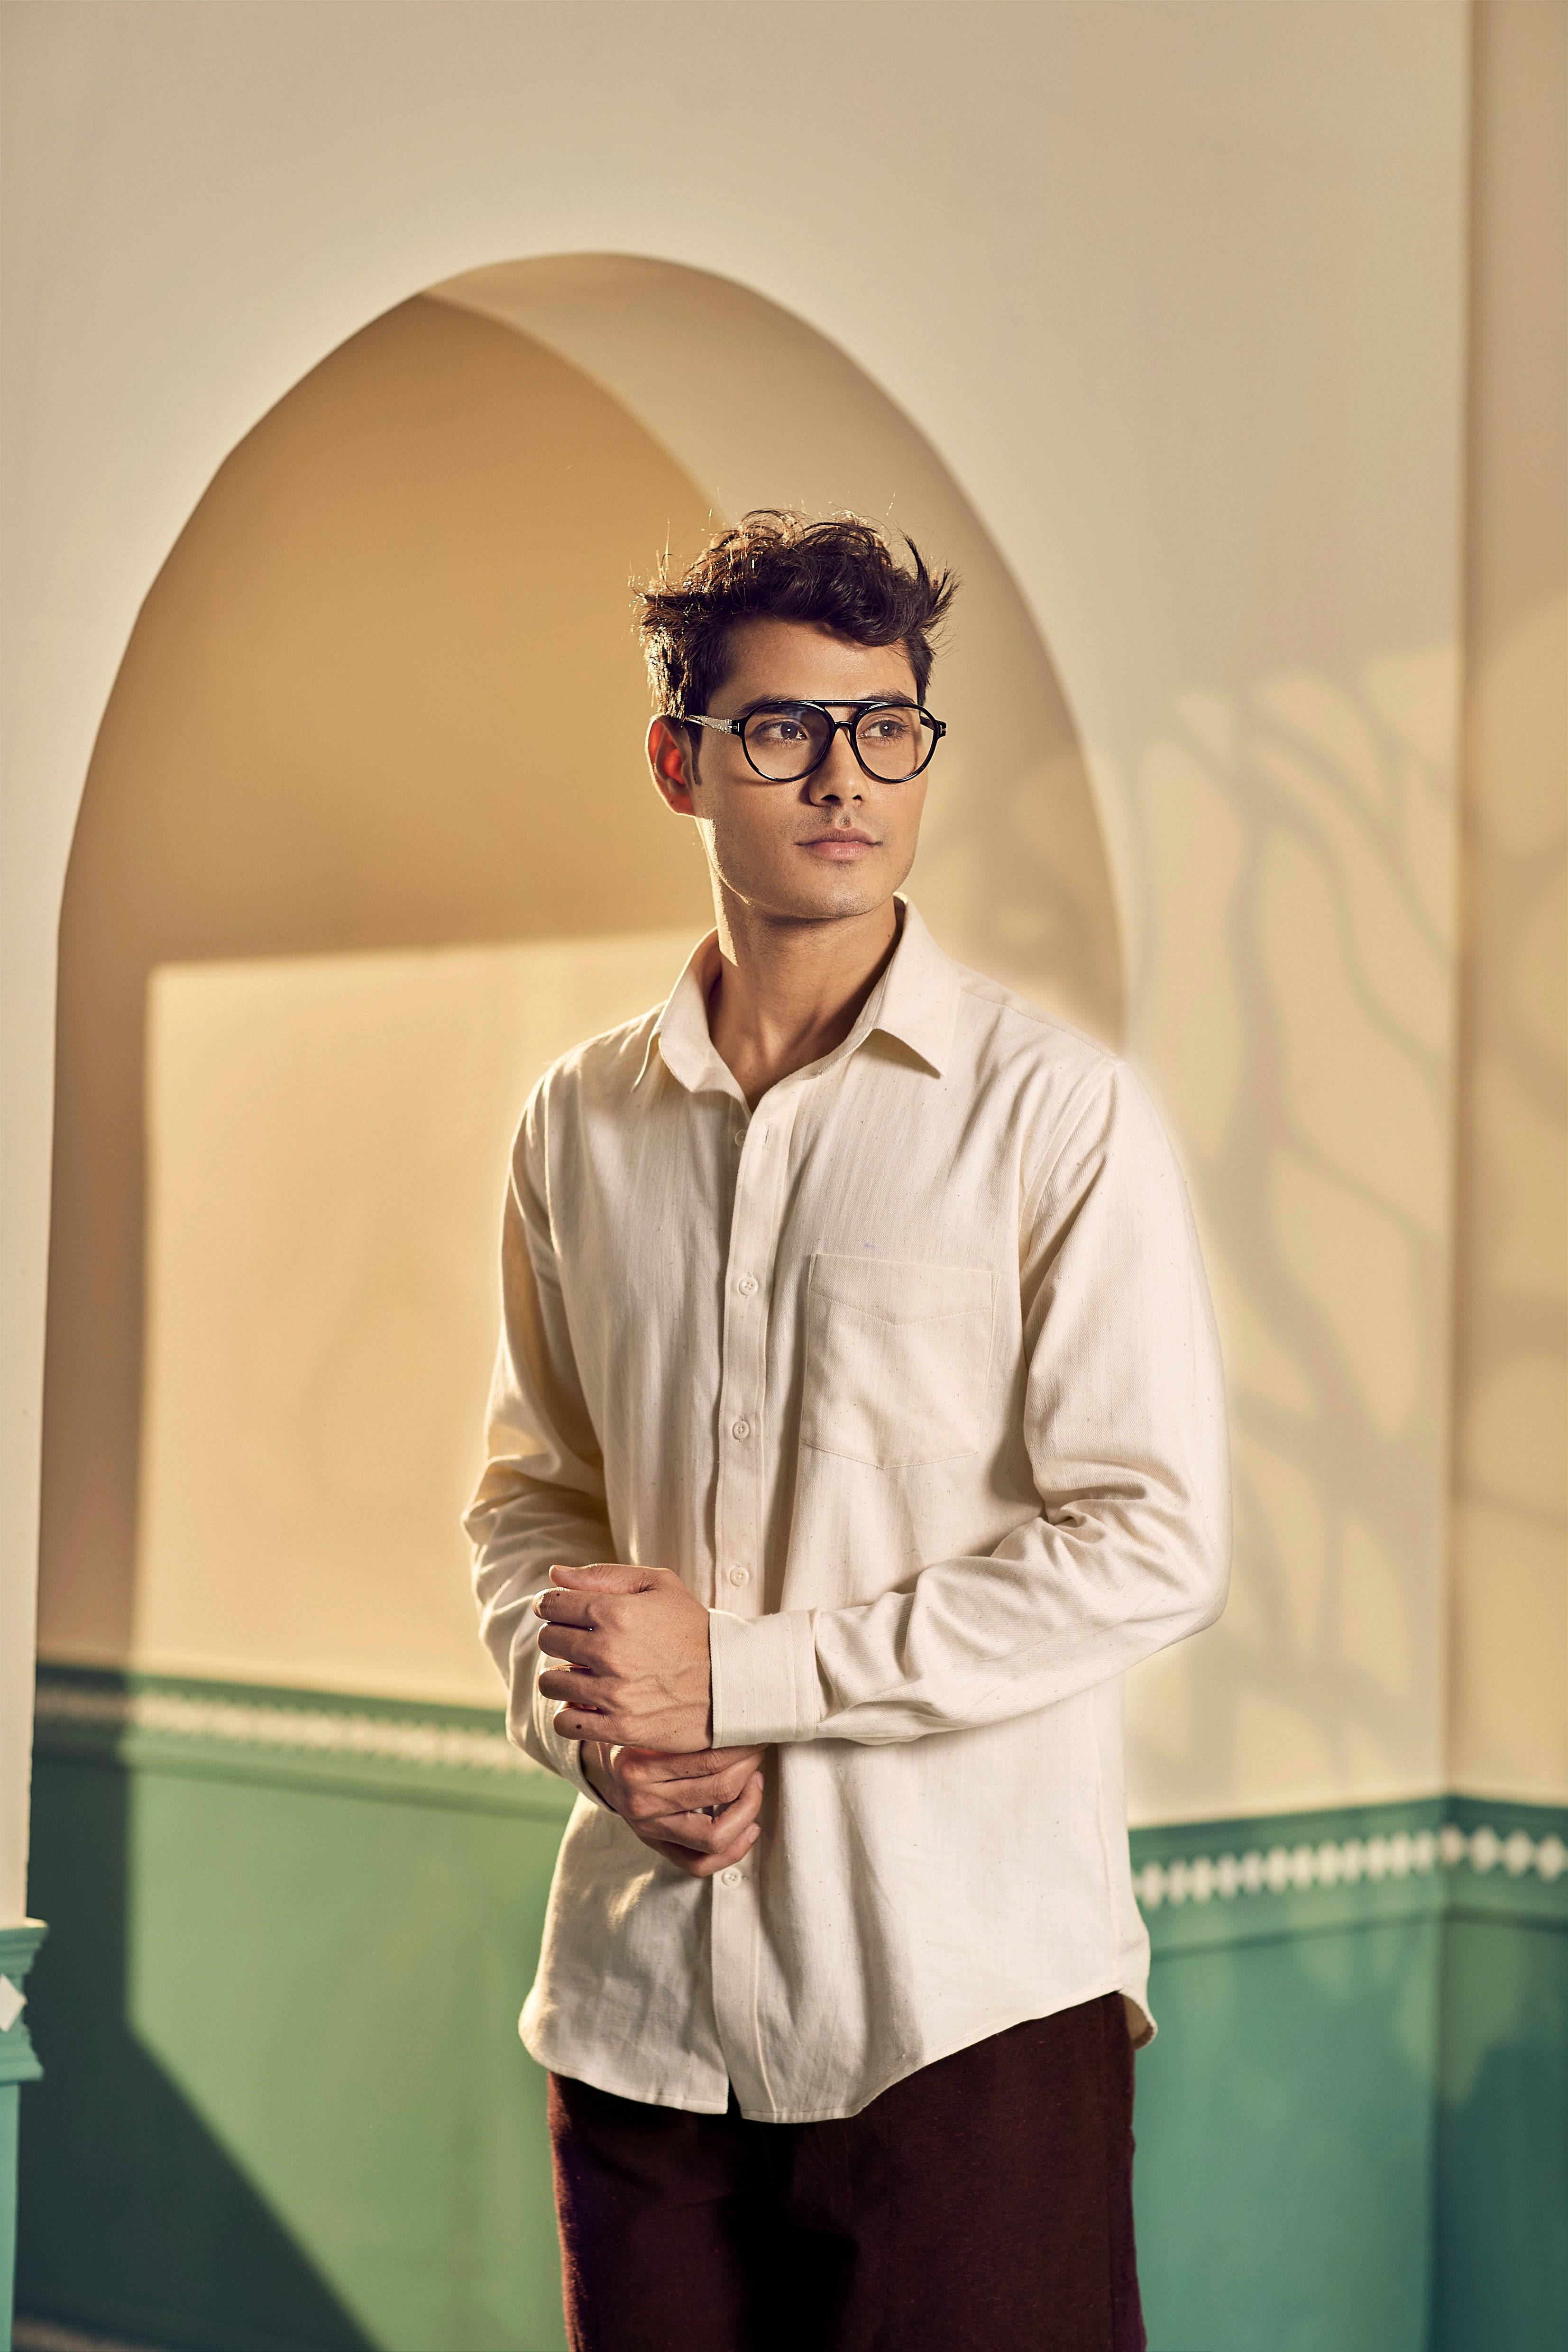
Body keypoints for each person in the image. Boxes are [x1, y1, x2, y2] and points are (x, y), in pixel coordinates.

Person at [465, 510, 1229, 2352]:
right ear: (680, 762)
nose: (843, 778)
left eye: (885, 728)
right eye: (782, 728)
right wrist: (597, 1728)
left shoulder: (1054, 1115)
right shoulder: (578, 1121)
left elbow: (1149, 1539)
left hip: (960, 2005)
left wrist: (733, 1676)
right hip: (644, 2008)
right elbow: (531, 1499)